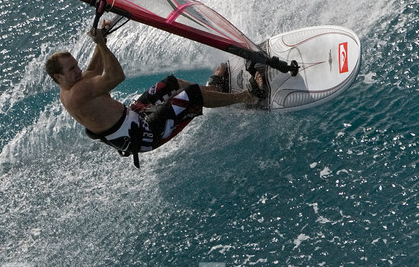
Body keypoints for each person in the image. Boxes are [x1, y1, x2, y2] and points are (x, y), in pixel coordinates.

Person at [44, 25, 262, 163]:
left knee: (171, 83)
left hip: (137, 117)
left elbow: (92, 70)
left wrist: (103, 39)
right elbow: (116, 76)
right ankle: (247, 97)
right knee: (191, 94)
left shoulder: (73, 84)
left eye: (75, 65)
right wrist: (101, 45)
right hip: (145, 135)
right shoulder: (77, 93)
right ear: (58, 78)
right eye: (72, 69)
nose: (78, 70)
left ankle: (214, 92)